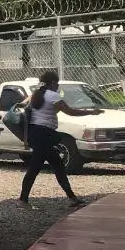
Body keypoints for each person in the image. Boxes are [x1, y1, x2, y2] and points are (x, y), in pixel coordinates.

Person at [18, 69, 98, 209]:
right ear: (53, 83)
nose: (58, 86)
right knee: (36, 167)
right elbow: (70, 111)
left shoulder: (37, 94)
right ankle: (22, 200)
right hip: (44, 135)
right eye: (57, 83)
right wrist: (91, 112)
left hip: (36, 134)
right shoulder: (52, 95)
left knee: (57, 165)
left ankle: (72, 198)